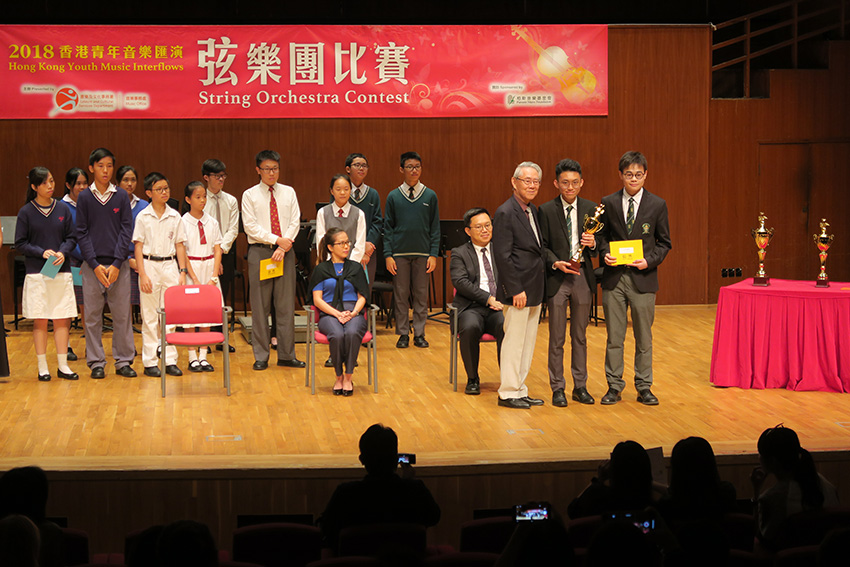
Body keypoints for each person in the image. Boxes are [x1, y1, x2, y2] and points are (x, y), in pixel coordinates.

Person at [597, 151, 671, 405]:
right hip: (614, 279)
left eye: (638, 174)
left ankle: (644, 386)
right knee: (614, 337)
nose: (633, 179)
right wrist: (605, 254)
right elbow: (600, 237)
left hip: (643, 278)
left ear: (645, 175)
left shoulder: (657, 204)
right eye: (629, 174)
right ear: (621, 175)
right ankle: (614, 386)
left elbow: (664, 243)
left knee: (644, 337)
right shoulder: (608, 202)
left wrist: (649, 260)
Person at [317, 423, 441, 553]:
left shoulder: (345, 494)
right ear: (396, 459)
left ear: (362, 459)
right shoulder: (415, 490)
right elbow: (433, 517)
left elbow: (326, 528)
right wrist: (409, 483)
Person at [538, 158, 598, 408]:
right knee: (557, 336)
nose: (570, 187)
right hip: (558, 278)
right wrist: (555, 262)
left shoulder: (592, 208)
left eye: (574, 182)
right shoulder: (545, 210)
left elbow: (600, 247)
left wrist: (593, 244)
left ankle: (580, 386)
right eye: (565, 183)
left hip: (582, 276)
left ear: (582, 182)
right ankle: (558, 387)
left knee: (580, 335)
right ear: (556, 184)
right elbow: (542, 246)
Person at [241, 149, 305, 370]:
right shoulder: (249, 195)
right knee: (260, 306)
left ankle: (287, 354)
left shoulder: (289, 192)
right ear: (258, 170)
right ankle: (261, 355)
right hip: (261, 252)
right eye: (267, 169)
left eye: (275, 168)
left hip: (285, 253)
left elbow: (295, 221)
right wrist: (277, 240)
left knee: (286, 305)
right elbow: (250, 226)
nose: (271, 173)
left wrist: (284, 245)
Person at [76, 147, 136, 379]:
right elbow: (81, 232)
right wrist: (94, 264)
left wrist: (116, 262)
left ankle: (123, 361)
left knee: (122, 315)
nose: (105, 170)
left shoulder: (120, 195)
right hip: (92, 267)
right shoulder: (84, 197)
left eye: (109, 166)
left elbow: (126, 230)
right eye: (100, 166)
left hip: (118, 266)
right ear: (91, 168)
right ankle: (96, 362)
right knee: (92, 317)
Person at [15, 167, 79, 382]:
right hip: (37, 274)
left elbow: (71, 237)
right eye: (44, 183)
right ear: (34, 187)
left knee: (62, 318)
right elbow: (20, 243)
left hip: (61, 271)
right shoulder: (26, 212)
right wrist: (41, 252)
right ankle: (43, 367)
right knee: (41, 319)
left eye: (51, 181)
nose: (50, 186)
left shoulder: (62, 209)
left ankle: (63, 365)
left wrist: (62, 251)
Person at [491, 161, 546, 409]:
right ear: (514, 182)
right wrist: (515, 289)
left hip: (534, 287)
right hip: (518, 291)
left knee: (527, 343)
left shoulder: (532, 211)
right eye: (527, 181)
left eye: (536, 181)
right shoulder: (505, 212)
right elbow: (502, 255)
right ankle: (508, 392)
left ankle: (520, 389)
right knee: (514, 343)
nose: (532, 185)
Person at [132, 172, 187, 378]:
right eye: (159, 189)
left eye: (166, 188)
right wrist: (143, 273)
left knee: (170, 315)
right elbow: (138, 246)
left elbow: (179, 245)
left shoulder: (175, 216)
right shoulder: (143, 216)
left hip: (170, 265)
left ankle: (170, 359)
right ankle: (149, 362)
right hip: (149, 265)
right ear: (149, 193)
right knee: (149, 317)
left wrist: (182, 271)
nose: (164, 192)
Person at [383, 151, 440, 349]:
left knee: (421, 295)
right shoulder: (393, 196)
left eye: (417, 167)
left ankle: (420, 333)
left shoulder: (430, 195)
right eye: (409, 167)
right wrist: (388, 255)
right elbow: (388, 228)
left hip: (423, 255)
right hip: (399, 255)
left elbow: (435, 228)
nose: (414, 171)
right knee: (400, 295)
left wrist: (433, 254)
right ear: (401, 169)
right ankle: (403, 334)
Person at [750, 425, 840, 547]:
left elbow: (762, 537)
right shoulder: (826, 485)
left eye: (760, 454)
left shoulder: (771, 498)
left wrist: (756, 494)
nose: (758, 457)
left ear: (773, 461)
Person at [449, 207, 504, 395]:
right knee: (470, 326)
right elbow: (460, 282)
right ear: (468, 230)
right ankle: (472, 378)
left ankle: (508, 379)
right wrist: (488, 299)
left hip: (499, 308)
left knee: (506, 325)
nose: (485, 230)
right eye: (479, 227)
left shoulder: (501, 249)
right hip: (470, 307)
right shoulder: (459, 253)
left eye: (488, 225)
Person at [315, 174, 367, 368]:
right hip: (330, 267)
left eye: (346, 189)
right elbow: (321, 240)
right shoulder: (323, 212)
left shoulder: (358, 213)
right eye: (338, 189)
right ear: (331, 191)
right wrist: (332, 266)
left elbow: (359, 243)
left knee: (351, 307)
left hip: (352, 269)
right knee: (332, 309)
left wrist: (349, 268)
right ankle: (334, 354)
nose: (343, 192)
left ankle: (351, 356)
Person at [309, 227, 369, 395]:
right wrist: (337, 313)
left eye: (347, 242)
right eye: (341, 243)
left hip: (353, 311)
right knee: (337, 335)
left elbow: (363, 296)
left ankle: (348, 377)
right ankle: (338, 376)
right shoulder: (321, 269)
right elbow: (317, 299)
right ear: (330, 247)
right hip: (329, 313)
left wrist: (354, 312)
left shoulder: (356, 268)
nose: (346, 246)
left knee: (352, 332)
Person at [181, 180, 223, 372]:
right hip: (192, 268)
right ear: (188, 199)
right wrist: (195, 279)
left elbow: (217, 248)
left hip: (209, 267)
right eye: (198, 197)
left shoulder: (212, 222)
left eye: (204, 196)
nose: (202, 200)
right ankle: (192, 357)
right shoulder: (183, 222)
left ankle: (204, 356)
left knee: (207, 314)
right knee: (191, 315)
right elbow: (182, 251)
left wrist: (213, 276)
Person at [202, 158, 239, 353]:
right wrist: (212, 254)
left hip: (225, 252)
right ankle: (204, 338)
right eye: (217, 176)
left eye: (223, 175)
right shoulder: (200, 199)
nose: (221, 179)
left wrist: (221, 251)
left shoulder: (231, 200)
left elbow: (233, 229)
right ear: (206, 177)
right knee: (205, 296)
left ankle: (221, 338)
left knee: (221, 296)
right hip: (204, 255)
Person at [567, 440, 658, 519]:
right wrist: (644, 479)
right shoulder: (655, 508)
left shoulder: (598, 498)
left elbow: (572, 510)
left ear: (612, 470)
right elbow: (667, 493)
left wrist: (599, 479)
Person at [62, 167, 89, 362]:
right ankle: (66, 346)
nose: (82, 187)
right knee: (65, 303)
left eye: (84, 183)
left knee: (86, 304)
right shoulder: (61, 206)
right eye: (78, 183)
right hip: (67, 260)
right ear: (68, 185)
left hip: (87, 260)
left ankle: (90, 345)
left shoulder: (90, 203)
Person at [345, 153, 383, 291]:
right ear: (348, 169)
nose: (361, 168)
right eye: (357, 165)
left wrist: (368, 245)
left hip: (368, 251)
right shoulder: (341, 192)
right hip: (345, 248)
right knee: (345, 289)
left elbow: (377, 222)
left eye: (364, 166)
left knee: (365, 290)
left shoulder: (373, 194)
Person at [117, 165, 148, 313]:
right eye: (125, 180)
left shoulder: (144, 205)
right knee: (123, 301)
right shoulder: (111, 204)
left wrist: (138, 259)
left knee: (146, 297)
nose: (130, 184)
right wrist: (127, 259)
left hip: (141, 257)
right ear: (117, 183)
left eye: (133, 180)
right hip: (119, 257)